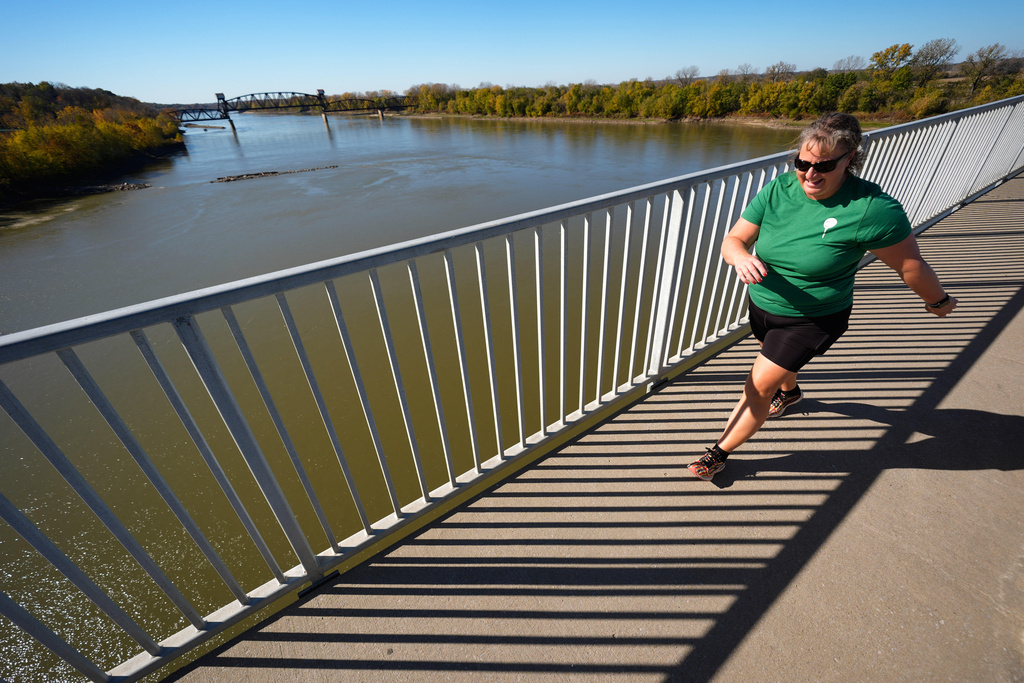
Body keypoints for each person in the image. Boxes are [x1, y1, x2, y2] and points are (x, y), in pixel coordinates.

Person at [687, 112, 957, 482]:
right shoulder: (779, 189)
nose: (810, 175)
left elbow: (910, 266)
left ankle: (718, 453)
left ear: (850, 159)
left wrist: (938, 300)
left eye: (824, 166)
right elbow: (733, 240)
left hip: (813, 317)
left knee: (759, 385)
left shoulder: (872, 209)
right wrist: (740, 257)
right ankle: (792, 393)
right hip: (764, 305)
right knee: (777, 362)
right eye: (803, 163)